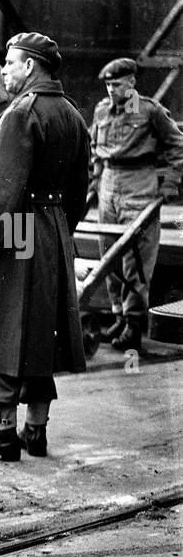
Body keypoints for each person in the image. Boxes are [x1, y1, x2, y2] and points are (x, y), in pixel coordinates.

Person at [0, 32, 89, 461]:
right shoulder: (73, 115)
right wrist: (59, 231)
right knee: (41, 332)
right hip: (52, 231)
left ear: (29, 66)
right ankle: (36, 429)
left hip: (14, 233)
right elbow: (80, 190)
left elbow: (0, 194)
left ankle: (2, 430)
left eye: (8, 64)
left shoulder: (19, 114)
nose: (3, 72)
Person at [87, 57, 183, 352]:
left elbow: (177, 145)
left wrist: (169, 183)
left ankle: (133, 324)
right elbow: (95, 149)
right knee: (109, 255)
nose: (111, 90)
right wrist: (94, 182)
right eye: (108, 85)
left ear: (132, 82)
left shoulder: (150, 111)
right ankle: (118, 315)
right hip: (109, 185)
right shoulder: (102, 110)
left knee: (136, 261)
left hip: (139, 183)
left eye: (117, 85)